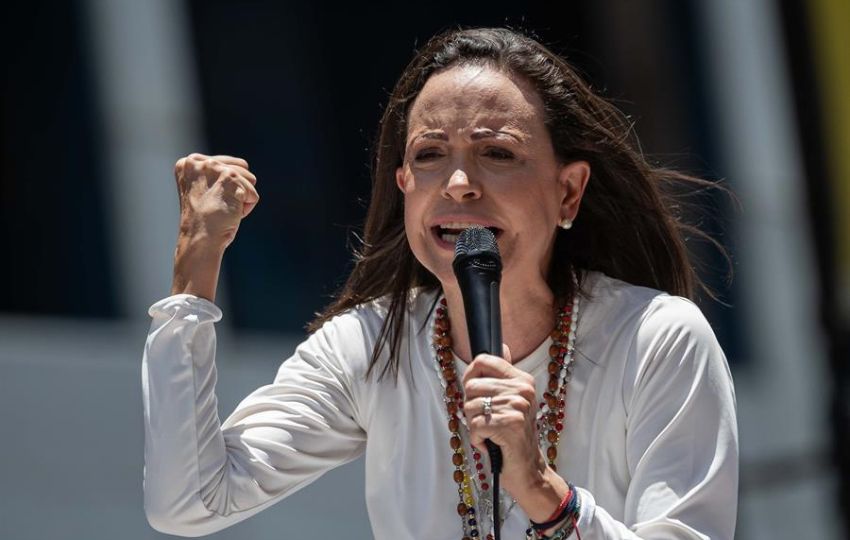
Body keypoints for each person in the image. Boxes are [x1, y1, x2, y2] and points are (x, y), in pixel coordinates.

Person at [142, 27, 738, 540]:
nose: (457, 183)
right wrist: (196, 264)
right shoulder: (369, 345)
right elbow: (190, 502)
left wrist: (544, 492)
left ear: (568, 191)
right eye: (429, 155)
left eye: (497, 154)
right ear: (404, 183)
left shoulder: (657, 338)